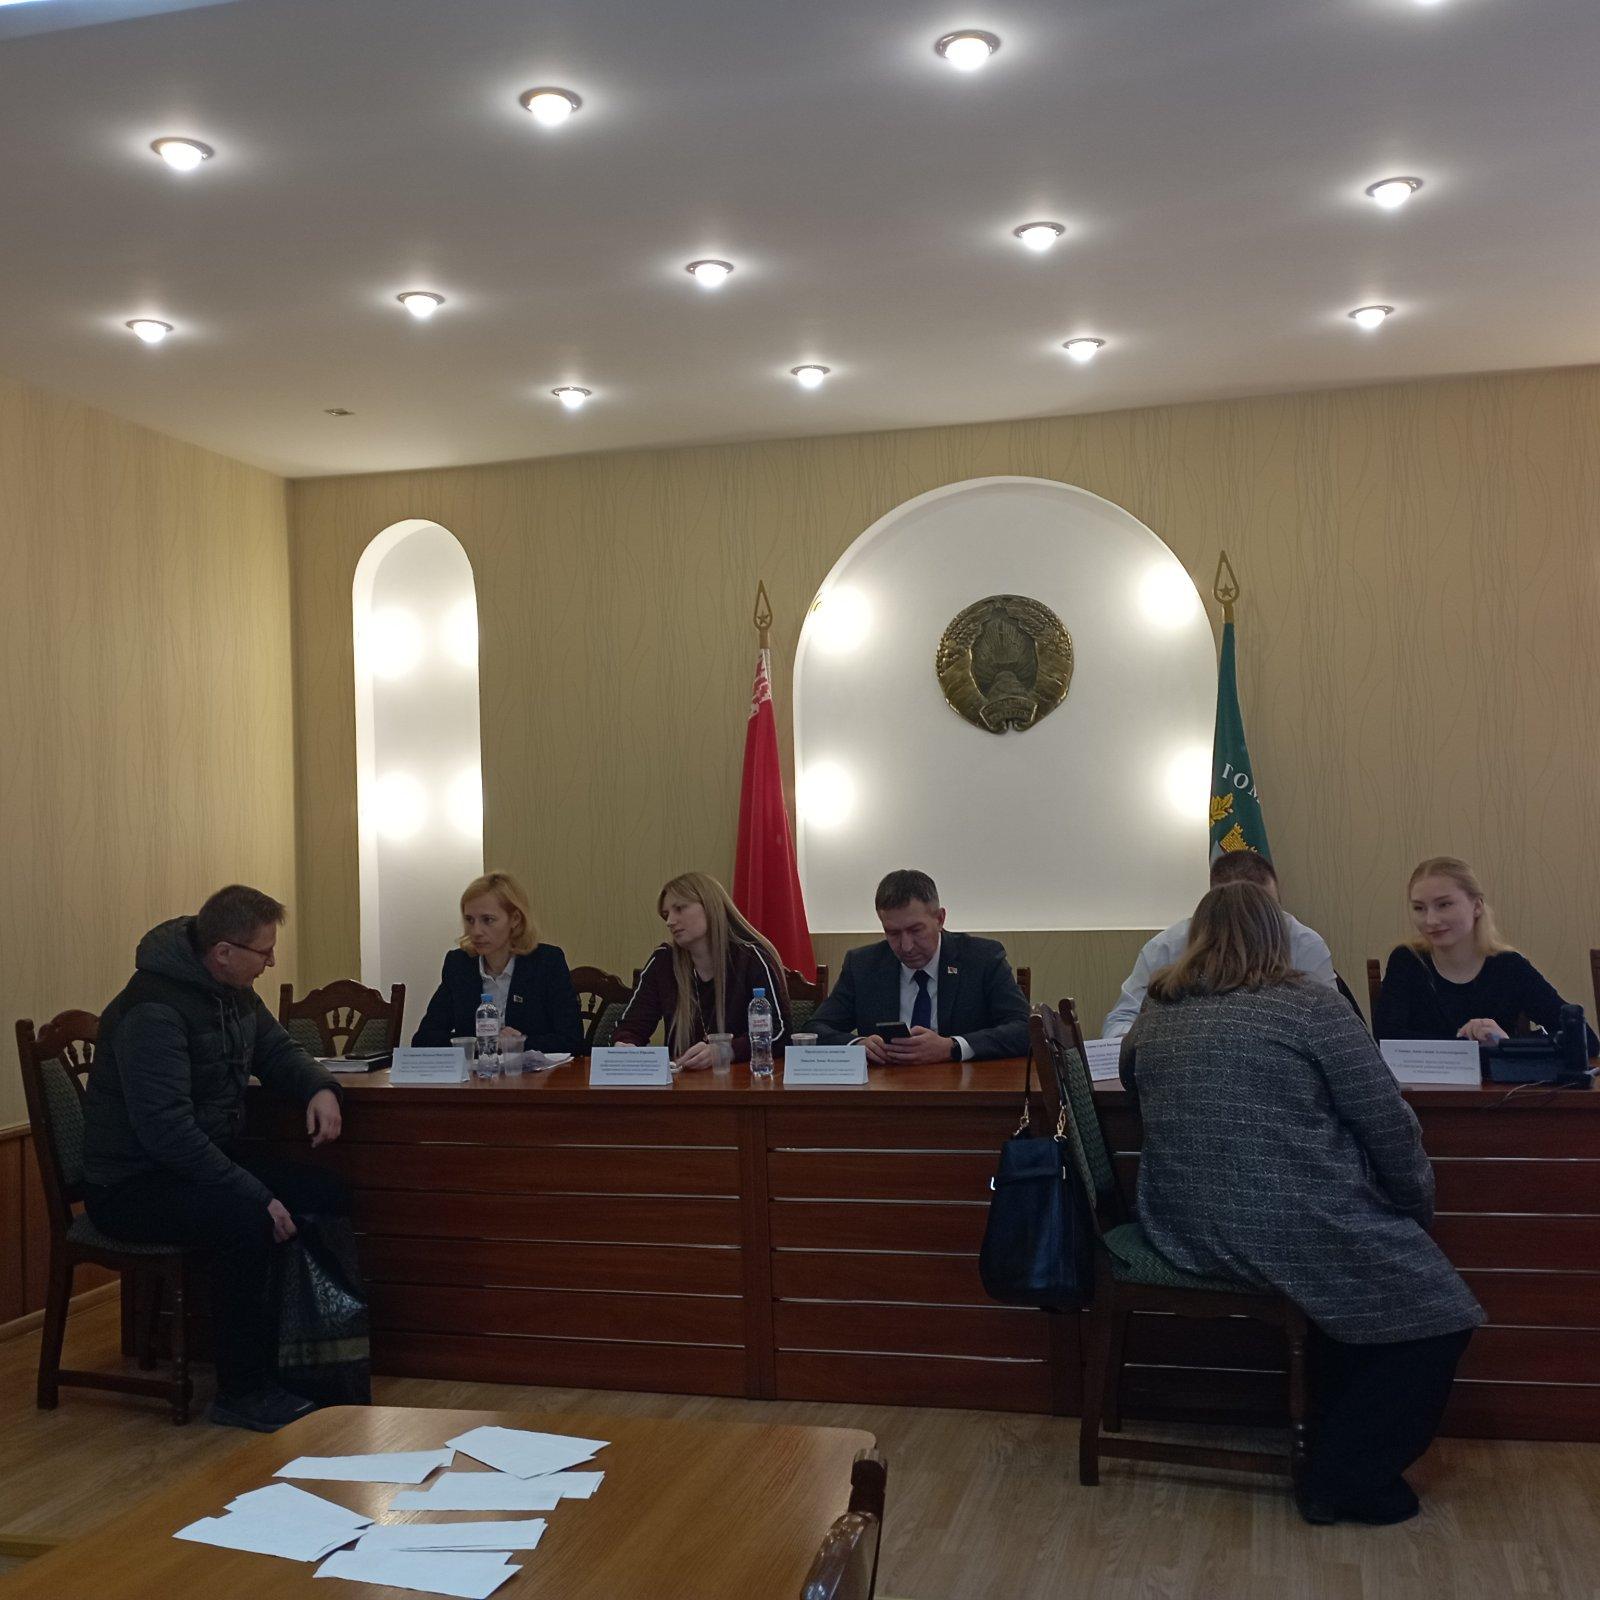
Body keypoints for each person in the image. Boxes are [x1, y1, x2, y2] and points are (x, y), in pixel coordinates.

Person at [1119, 880, 1483, 1525]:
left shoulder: (1158, 1008)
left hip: (1177, 1223)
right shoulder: (1311, 1006)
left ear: (1196, 937)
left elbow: (1130, 1081)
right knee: (1443, 1313)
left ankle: (1331, 1443)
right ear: (1277, 937)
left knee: (1352, 1305)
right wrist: (1412, 1206)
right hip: (1290, 1221)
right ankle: (1343, 1479)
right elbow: (1387, 1122)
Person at [83, 885, 350, 1433]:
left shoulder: (232, 991)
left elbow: (277, 1051)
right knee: (249, 1222)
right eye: (264, 951)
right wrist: (256, 1195)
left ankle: (314, 1360)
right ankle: (242, 1390)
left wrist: (320, 1088)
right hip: (132, 1184)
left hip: (196, 1166)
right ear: (224, 952)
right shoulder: (152, 1011)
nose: (271, 962)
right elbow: (167, 1135)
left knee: (324, 1192)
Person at [1103, 851, 1337, 1038]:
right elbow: (1121, 1022)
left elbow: (1332, 1024)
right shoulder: (1166, 948)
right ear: (1213, 904)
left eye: (1268, 910)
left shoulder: (1305, 944)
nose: (1255, 925)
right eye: (1240, 914)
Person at [1374, 855, 1598, 1050]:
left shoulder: (1509, 966)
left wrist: (1505, 1043)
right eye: (1419, 908)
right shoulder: (1407, 960)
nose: (1430, 920)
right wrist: (1466, 1044)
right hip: (1424, 1086)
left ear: (1477, 906)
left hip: (1496, 1086)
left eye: (1444, 905)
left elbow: (1585, 1041)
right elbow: (1386, 1039)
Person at [810, 869, 1030, 1063]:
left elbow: (1025, 1029)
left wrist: (952, 1047)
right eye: (893, 933)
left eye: (916, 930)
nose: (906, 946)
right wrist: (856, 1045)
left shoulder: (982, 958)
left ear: (940, 919)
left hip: (964, 1088)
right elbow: (813, 1030)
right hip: (885, 1089)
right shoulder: (863, 965)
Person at [614, 872, 790, 1067]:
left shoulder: (751, 958)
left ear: (709, 907)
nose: (670, 921)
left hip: (741, 1079)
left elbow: (780, 1034)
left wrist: (725, 1050)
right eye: (666, 915)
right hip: (681, 1081)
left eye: (679, 908)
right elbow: (631, 1027)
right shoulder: (663, 962)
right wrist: (626, 1045)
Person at [412, 870, 583, 1056]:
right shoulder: (459, 965)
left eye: (488, 920)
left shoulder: (546, 963)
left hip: (534, 1074)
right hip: (475, 1073)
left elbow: (572, 1040)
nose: (476, 931)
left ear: (515, 919)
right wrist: (479, 1044)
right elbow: (424, 1039)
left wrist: (520, 1043)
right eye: (469, 920)